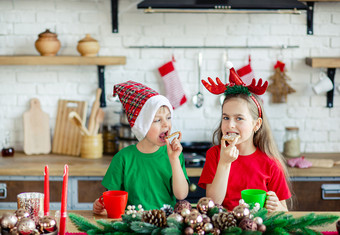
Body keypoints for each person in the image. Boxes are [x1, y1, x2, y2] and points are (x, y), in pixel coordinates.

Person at [198, 62, 292, 213]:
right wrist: (224, 162)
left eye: (239, 118)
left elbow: (284, 213)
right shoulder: (215, 155)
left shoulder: (271, 163)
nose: (231, 125)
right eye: (226, 118)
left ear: (256, 124)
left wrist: (277, 207)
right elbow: (212, 204)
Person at [93, 81, 189, 214]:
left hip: (167, 226)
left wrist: (174, 160)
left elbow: (181, 195)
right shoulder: (123, 158)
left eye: (168, 118)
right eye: (157, 120)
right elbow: (109, 197)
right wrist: (100, 204)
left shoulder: (174, 155)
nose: (166, 124)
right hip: (132, 225)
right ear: (142, 125)